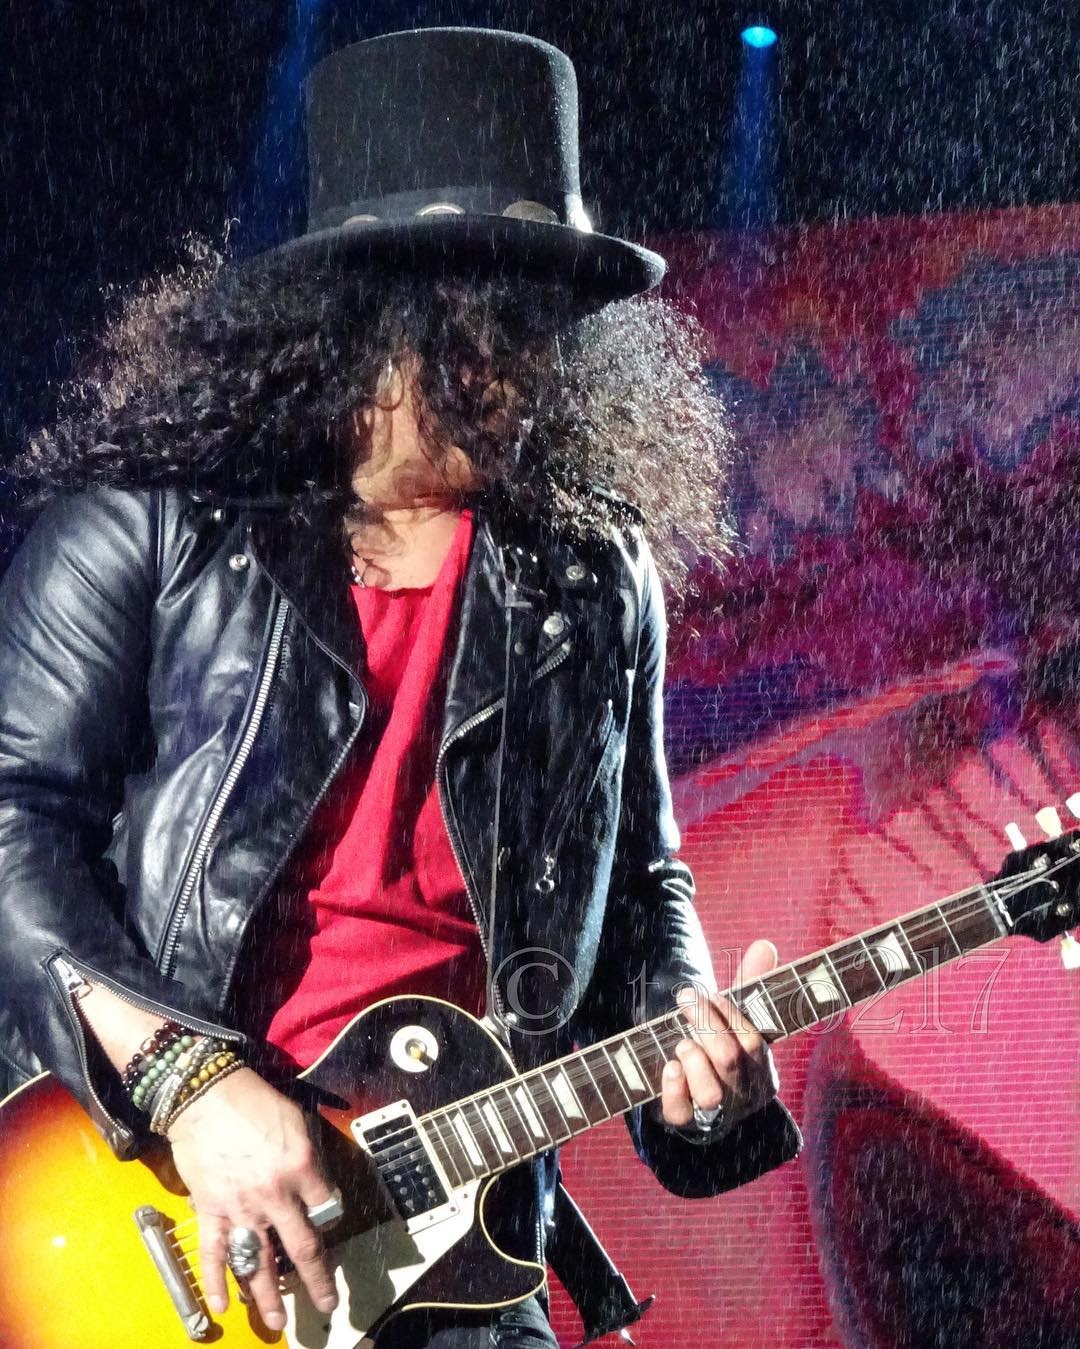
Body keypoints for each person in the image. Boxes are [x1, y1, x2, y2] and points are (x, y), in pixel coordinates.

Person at [0, 27, 800, 1348]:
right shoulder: (150, 526)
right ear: (369, 312)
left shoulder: (595, 579)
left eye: (547, 321)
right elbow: (14, 822)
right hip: (164, 1214)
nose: (527, 366)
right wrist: (188, 1080)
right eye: (487, 324)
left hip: (464, 1236)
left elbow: (640, 889)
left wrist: (695, 1056)